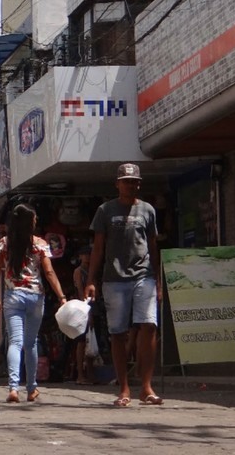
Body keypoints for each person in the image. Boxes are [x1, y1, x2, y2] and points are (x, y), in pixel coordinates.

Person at [85, 162, 163, 408]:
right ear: (117, 183)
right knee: (118, 333)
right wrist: (90, 280)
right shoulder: (105, 210)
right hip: (114, 278)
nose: (132, 185)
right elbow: (98, 247)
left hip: (144, 275)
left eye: (135, 181)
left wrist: (158, 279)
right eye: (127, 181)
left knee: (149, 325)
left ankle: (147, 387)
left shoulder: (148, 210)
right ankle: (124, 387)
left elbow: (152, 245)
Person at [0, 204, 67, 403]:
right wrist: (61, 297)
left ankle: (14, 388)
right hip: (35, 296)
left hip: (13, 296)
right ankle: (32, 388)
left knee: (14, 342)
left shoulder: (4, 244)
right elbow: (49, 273)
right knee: (30, 342)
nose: (36, 222)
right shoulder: (40, 244)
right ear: (29, 222)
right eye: (34, 219)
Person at [73, 247, 95, 385]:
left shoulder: (93, 270)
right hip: (82, 308)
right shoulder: (78, 271)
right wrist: (87, 311)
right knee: (81, 342)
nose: (87, 257)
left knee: (91, 342)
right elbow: (81, 291)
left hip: (94, 307)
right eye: (85, 255)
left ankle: (91, 374)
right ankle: (80, 374)